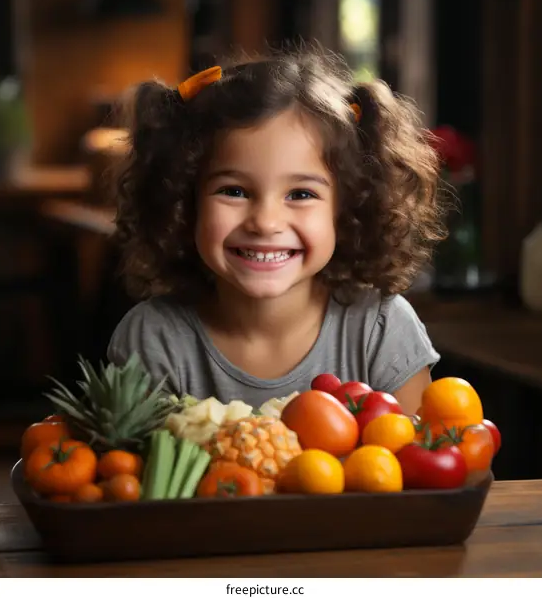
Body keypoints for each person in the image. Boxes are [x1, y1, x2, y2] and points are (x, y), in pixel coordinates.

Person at [106, 44, 446, 416]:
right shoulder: (153, 340)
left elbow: (422, 463)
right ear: (184, 203)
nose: (265, 222)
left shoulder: (381, 330)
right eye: (234, 191)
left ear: (348, 209)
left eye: (300, 194)